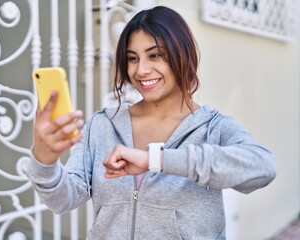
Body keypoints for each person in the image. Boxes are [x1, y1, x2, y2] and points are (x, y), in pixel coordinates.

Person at [26, 6, 276, 239]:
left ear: (183, 54)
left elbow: (262, 168)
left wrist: (155, 160)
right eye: (132, 58)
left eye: (155, 55)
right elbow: (62, 200)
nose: (141, 70)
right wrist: (44, 160)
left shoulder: (213, 127)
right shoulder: (102, 124)